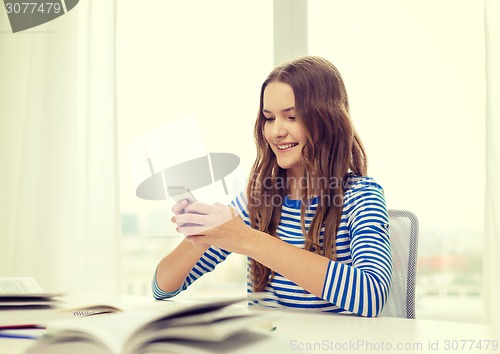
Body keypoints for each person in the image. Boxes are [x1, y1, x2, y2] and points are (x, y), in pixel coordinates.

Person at [153, 56, 391, 317]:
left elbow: (371, 294)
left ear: (327, 121)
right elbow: (162, 288)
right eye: (269, 118)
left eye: (292, 117)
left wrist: (246, 239)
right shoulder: (257, 199)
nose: (276, 131)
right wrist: (197, 242)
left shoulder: (361, 196)